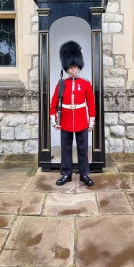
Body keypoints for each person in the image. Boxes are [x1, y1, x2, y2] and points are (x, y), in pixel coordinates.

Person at [50, 40, 95, 186]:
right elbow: (54, 103)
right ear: (67, 68)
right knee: (66, 149)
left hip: (81, 120)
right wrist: (54, 121)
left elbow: (91, 104)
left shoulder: (86, 83)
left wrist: (91, 122)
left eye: (75, 67)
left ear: (79, 67)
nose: (72, 70)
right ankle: (66, 174)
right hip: (66, 120)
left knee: (83, 149)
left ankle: (84, 174)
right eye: (70, 67)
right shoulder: (62, 83)